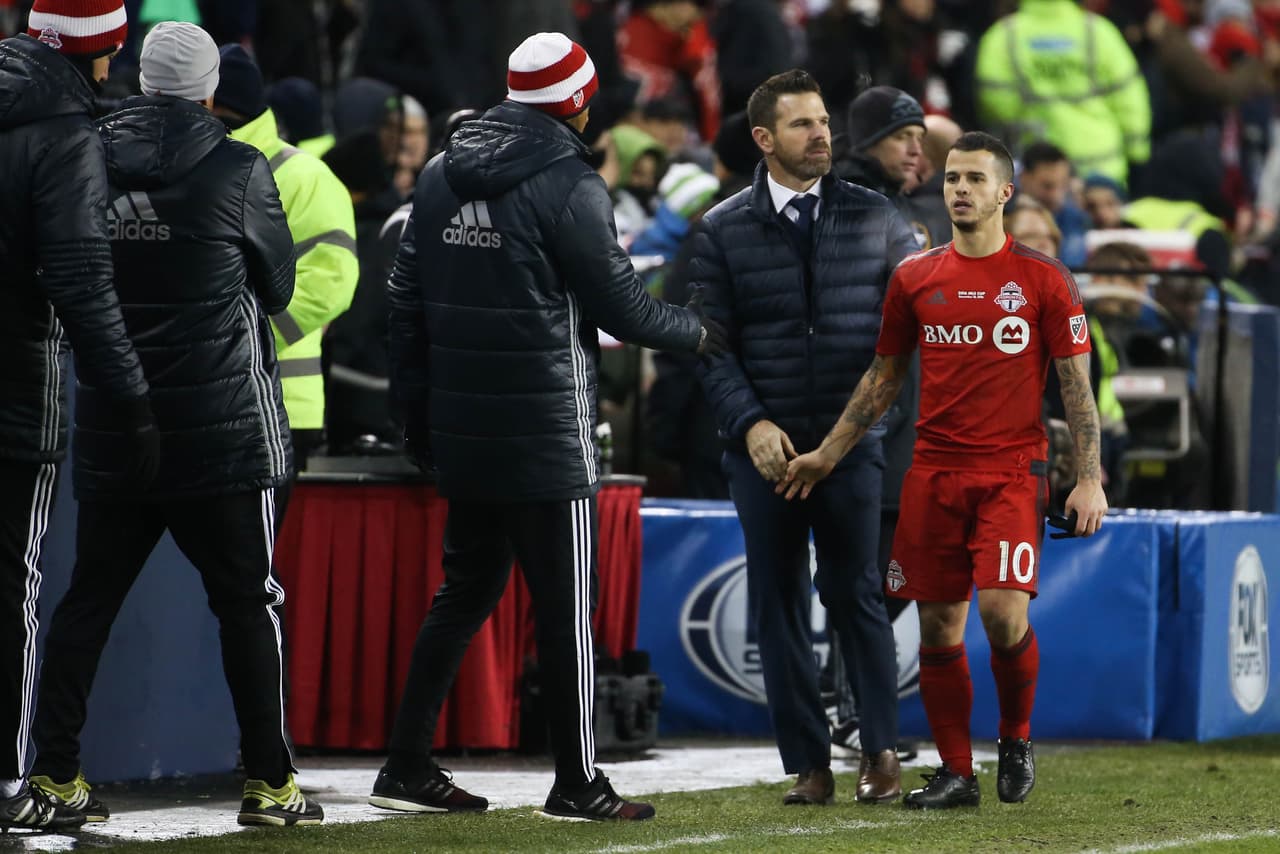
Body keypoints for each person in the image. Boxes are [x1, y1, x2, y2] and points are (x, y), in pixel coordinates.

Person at [372, 31, 724, 822]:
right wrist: (699, 330)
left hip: (463, 426)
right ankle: (576, 781)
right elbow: (622, 310)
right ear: (579, 100)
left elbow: (404, 302)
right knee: (566, 613)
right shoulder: (570, 182)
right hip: (544, 430)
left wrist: (415, 413)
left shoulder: (437, 174)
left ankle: (406, 762)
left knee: (462, 593)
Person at [27, 22, 323, 829]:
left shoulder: (83, 154)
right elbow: (277, 284)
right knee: (248, 605)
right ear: (208, 92)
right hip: (222, 427)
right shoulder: (238, 166)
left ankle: (53, 778)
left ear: (138, 77)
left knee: (87, 602)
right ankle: (270, 785)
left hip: (117, 420)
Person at [781, 131, 1108, 809]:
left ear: (1004, 193)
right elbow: (884, 376)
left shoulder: (1044, 280)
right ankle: (957, 773)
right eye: (953, 178)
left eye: (975, 180)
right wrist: (830, 451)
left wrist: (1090, 475)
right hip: (932, 471)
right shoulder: (916, 278)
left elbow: (1076, 386)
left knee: (1001, 613)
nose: (960, 188)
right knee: (936, 629)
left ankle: (1014, 737)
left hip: (1013, 470)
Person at [694, 69, 916, 806]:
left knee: (856, 593)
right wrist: (752, 424)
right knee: (777, 598)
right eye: (802, 125)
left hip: (851, 446)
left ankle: (880, 751)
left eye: (824, 122)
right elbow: (710, 347)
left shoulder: (877, 216)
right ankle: (808, 764)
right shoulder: (722, 226)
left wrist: (852, 436)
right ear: (764, 139)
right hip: (765, 452)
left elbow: (901, 346)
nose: (822, 134)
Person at [0, 0, 159, 833]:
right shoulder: (63, 131)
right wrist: (129, 394)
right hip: (16, 386)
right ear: (104, 52)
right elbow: (81, 280)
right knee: (13, 587)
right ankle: (9, 783)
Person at [213, 45, 359, 477]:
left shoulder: (302, 175)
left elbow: (332, 278)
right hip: (196, 402)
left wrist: (242, 341)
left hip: (280, 403)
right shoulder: (189, 163)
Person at [1017, 142, 1088, 268]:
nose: (1056, 196)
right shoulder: (1000, 214)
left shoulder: (1074, 218)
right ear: (1024, 178)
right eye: (1047, 186)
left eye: (1063, 185)